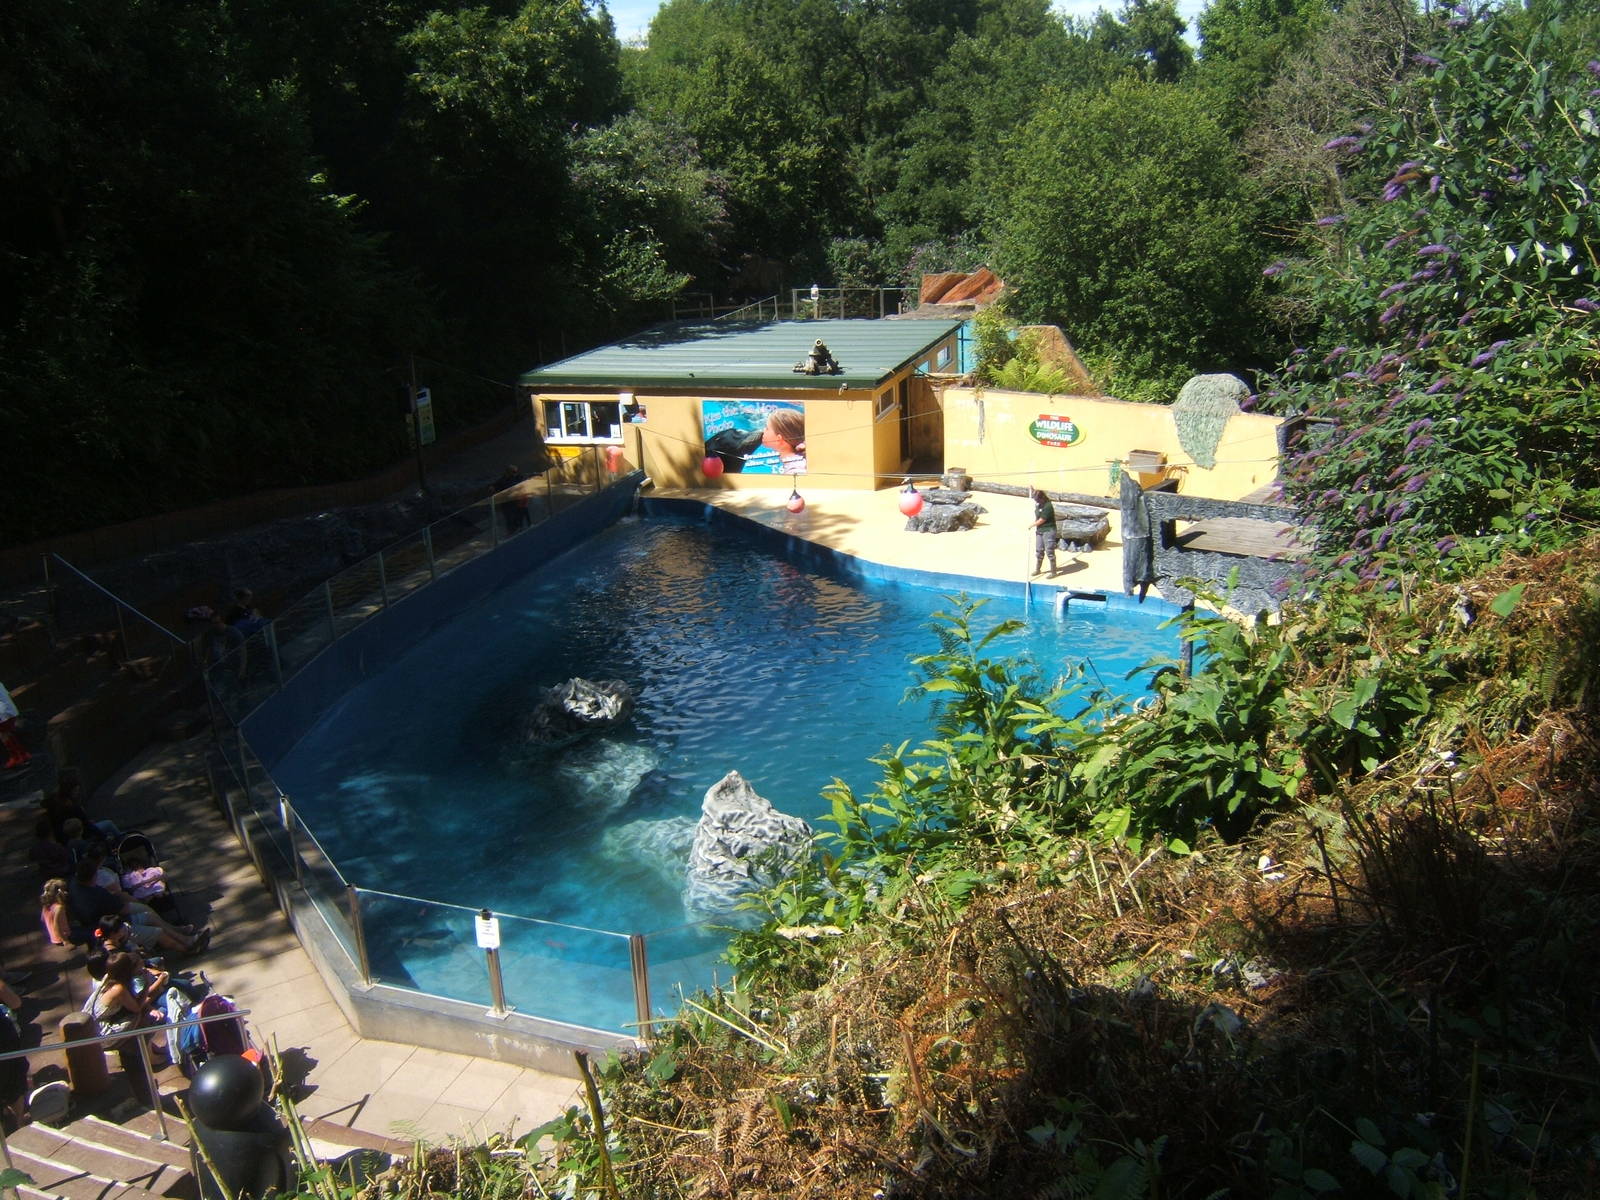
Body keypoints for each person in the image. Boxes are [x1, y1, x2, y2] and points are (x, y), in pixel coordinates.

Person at [67, 857, 208, 956]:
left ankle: (179, 932)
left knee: (147, 913)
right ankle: (187, 948)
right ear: (93, 876)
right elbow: (122, 908)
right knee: (157, 932)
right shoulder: (97, 894)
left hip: (108, 919)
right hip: (113, 928)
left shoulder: (74, 884)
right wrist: (136, 903)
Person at [761, 409, 807, 474]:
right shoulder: (793, 459)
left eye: (767, 428)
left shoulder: (795, 470)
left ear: (779, 438)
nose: (763, 431)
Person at [0, 681, 29, 771]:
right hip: (8, 712)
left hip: (3, 714)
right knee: (7, 734)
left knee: (4, 735)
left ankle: (16, 757)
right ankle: (22, 755)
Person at [493, 465, 531, 533]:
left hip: (516, 500)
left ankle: (518, 527)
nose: (514, 473)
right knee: (509, 516)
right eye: (513, 472)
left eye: (515, 472)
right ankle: (511, 530)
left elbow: (525, 476)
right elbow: (497, 485)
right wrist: (493, 488)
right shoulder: (503, 480)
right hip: (507, 501)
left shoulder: (518, 477)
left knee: (518, 514)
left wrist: (534, 474)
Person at [1031, 488, 1059, 577]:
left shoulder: (1048, 506)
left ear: (1042, 498)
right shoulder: (1038, 504)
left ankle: (1053, 572)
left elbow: (1042, 520)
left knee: (1049, 551)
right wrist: (1032, 489)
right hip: (1040, 530)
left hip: (1048, 530)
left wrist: (1031, 525)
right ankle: (1037, 569)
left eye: (1037, 499)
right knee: (1039, 550)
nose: (1036, 501)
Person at [40, 878, 74, 946]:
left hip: (53, 936)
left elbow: (42, 919)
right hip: (62, 937)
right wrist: (65, 940)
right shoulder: (59, 907)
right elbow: (56, 926)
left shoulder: (46, 905)